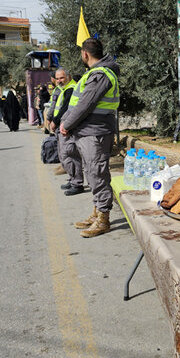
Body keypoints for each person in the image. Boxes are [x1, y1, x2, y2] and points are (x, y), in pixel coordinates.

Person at [60, 38, 120, 238]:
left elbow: (85, 104)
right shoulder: (95, 73)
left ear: (85, 54)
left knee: (97, 172)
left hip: (95, 132)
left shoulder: (101, 74)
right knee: (92, 172)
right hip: (89, 131)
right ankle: (97, 213)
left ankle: (103, 219)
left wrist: (66, 124)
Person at [49, 68, 84, 195]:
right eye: (57, 78)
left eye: (61, 78)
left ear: (68, 76)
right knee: (65, 155)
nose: (59, 81)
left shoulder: (71, 88)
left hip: (67, 127)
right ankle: (72, 179)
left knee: (70, 154)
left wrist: (55, 121)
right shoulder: (64, 89)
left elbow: (65, 109)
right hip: (62, 126)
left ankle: (77, 183)